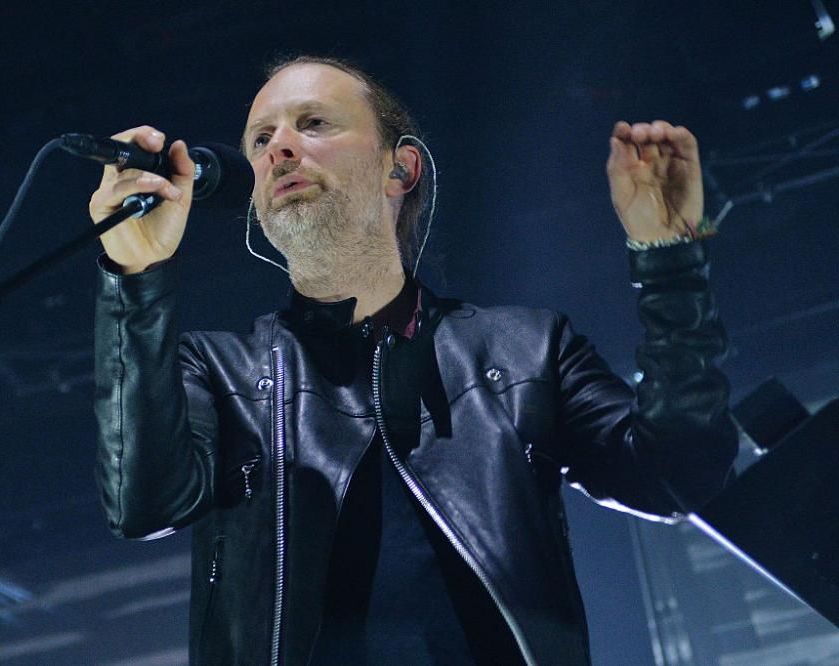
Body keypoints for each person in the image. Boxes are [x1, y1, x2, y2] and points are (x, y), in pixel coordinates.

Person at [90, 55, 737, 665]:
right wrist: (133, 274)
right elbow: (143, 505)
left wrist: (670, 263)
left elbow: (675, 476)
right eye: (260, 139)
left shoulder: (527, 350)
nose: (278, 148)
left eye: (313, 123)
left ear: (400, 170)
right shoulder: (219, 371)